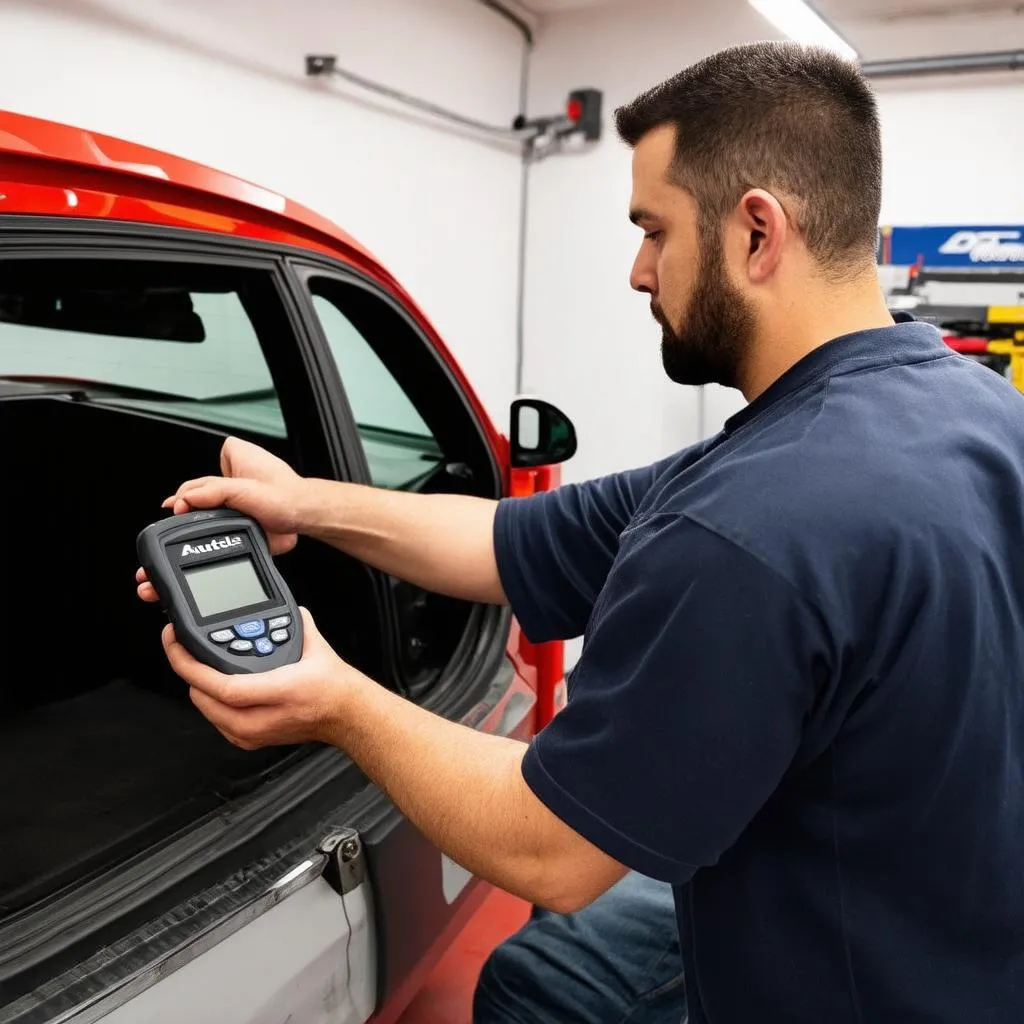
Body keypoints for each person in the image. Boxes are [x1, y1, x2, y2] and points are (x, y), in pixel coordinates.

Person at [137, 40, 1024, 1023]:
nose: (637, 271)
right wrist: (303, 501)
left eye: (653, 230)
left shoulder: (751, 527)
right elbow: (505, 539)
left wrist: (337, 700)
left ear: (757, 233)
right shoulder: (972, 414)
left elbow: (550, 851)